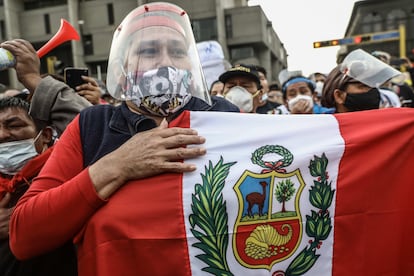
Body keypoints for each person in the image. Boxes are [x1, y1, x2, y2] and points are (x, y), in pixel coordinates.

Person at [9, 3, 238, 276]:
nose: (166, 62)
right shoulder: (92, 126)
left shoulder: (225, 116)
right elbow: (24, 234)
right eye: (148, 51)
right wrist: (118, 165)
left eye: (177, 52)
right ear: (120, 70)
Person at [0, 39, 92, 275]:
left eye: (14, 125)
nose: (2, 135)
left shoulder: (65, 173)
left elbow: (93, 130)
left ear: (46, 135)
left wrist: (35, 81)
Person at [321, 49, 401, 113]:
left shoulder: (384, 125)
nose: (372, 91)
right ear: (339, 96)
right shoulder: (324, 129)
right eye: (363, 86)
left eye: (373, 85)